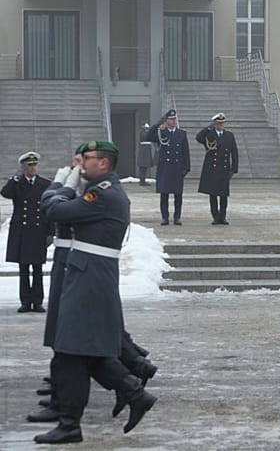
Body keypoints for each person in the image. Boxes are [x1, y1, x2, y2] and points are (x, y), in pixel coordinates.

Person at [35, 141, 157, 444]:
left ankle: (73, 422)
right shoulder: (101, 190)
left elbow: (53, 210)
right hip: (85, 272)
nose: (81, 164)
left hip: (91, 277)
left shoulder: (102, 194)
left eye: (86, 160)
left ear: (103, 163)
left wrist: (60, 185)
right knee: (77, 351)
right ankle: (131, 393)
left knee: (72, 350)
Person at [2, 151, 52, 313]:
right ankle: (25, 301)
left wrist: (51, 232)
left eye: (34, 165)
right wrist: (13, 179)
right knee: (23, 269)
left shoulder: (45, 184)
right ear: (24, 167)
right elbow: (5, 194)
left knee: (37, 268)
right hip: (22, 230)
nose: (33, 168)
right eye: (29, 165)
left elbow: (48, 209)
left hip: (38, 230)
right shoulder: (17, 183)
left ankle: (37, 301)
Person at [147, 109, 191, 225]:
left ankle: (177, 217)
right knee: (164, 194)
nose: (173, 121)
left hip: (177, 167)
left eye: (174, 119)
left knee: (178, 195)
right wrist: (157, 124)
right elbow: (148, 136)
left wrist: (187, 167)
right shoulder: (161, 132)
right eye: (171, 119)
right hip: (165, 167)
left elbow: (185, 151)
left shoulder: (181, 134)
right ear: (166, 121)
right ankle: (165, 217)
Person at [196, 112, 239, 225]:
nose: (221, 125)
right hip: (212, 169)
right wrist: (208, 127)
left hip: (224, 169)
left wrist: (234, 168)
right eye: (219, 123)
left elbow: (234, 152)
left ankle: (222, 216)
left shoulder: (229, 135)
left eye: (222, 123)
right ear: (215, 124)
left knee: (224, 195)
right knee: (213, 194)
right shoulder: (209, 135)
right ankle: (215, 216)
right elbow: (198, 138)